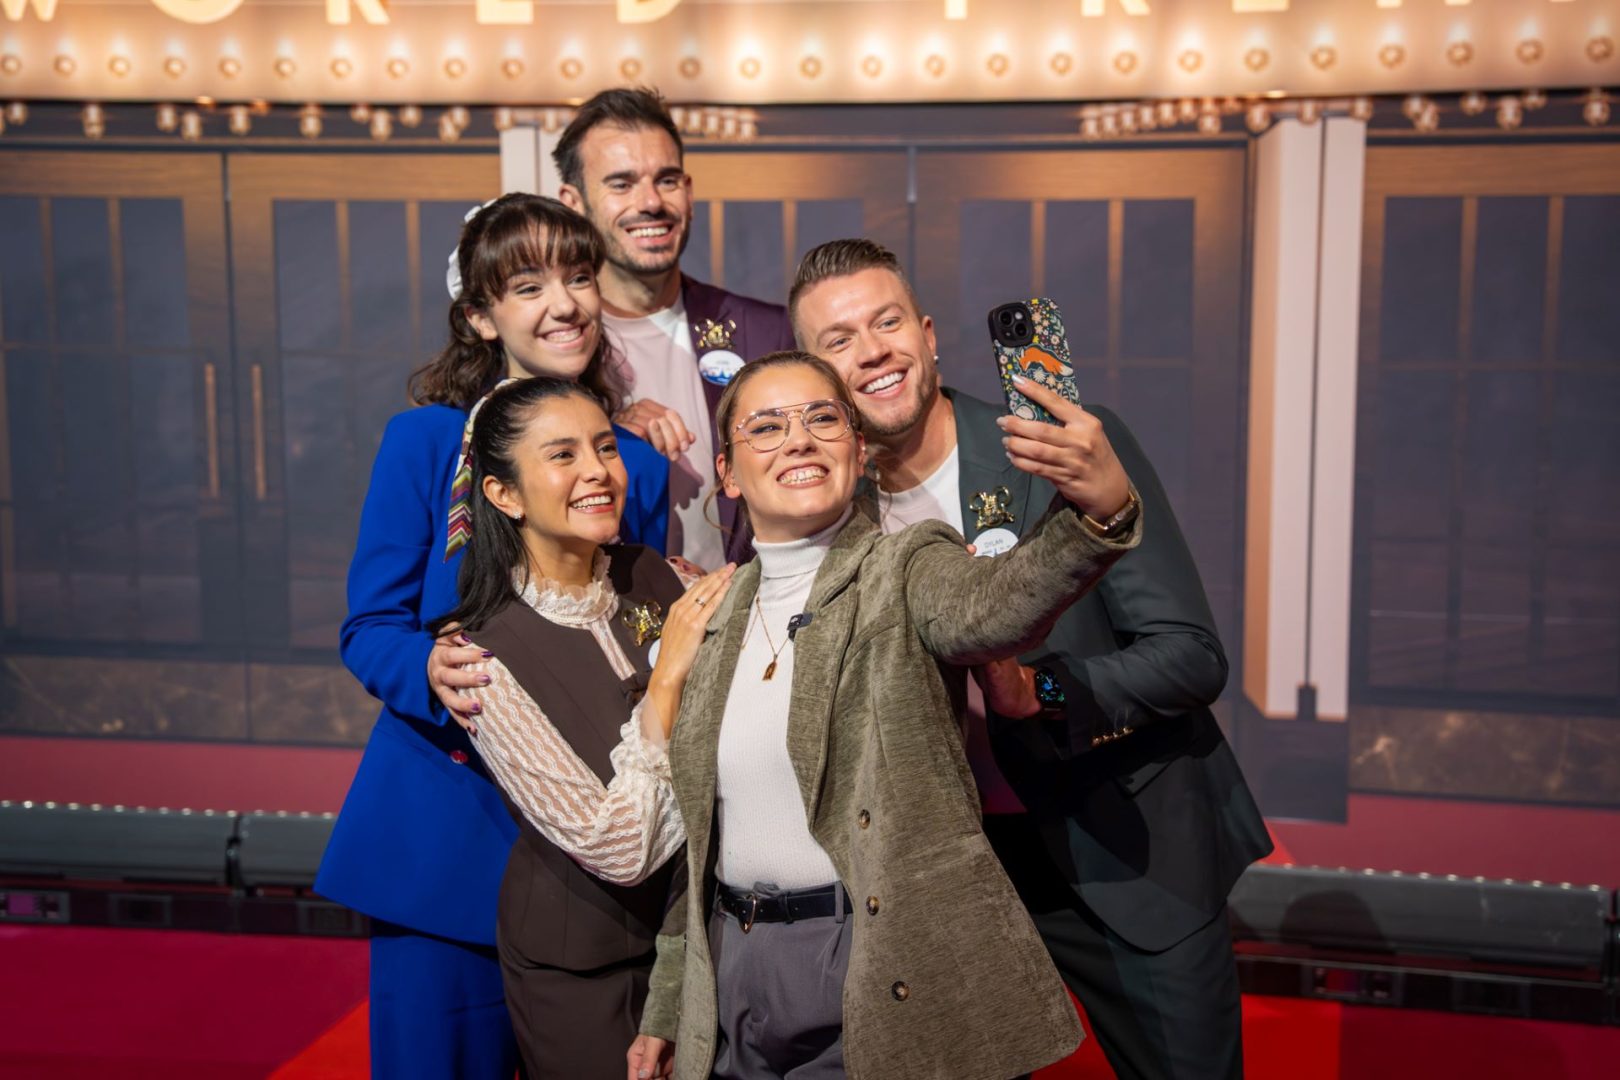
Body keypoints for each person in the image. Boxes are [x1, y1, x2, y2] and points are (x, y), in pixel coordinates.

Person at [788, 238, 1273, 1080]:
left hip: (1125, 846)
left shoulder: (1063, 451)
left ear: (930, 333)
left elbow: (1192, 657)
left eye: (888, 321)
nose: (872, 351)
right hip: (956, 877)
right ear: (815, 373)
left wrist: (1039, 688)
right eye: (838, 340)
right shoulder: (834, 513)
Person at [628, 351, 1143, 1080]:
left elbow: (996, 608)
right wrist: (668, 1003)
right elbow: (699, 842)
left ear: (858, 450)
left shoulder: (904, 567)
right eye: (767, 427)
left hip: (876, 965)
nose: (798, 440)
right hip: (736, 969)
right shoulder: (710, 615)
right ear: (729, 473)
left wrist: (1098, 510)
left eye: (821, 419)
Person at [314, 194, 669, 1078]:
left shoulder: (639, 464)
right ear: (480, 315)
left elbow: (636, 629)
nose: (564, 303)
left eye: (580, 277)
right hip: (450, 841)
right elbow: (369, 627)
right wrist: (428, 667)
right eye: (528, 284)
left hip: (590, 862)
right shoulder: (426, 444)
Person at [425, 376, 732, 1078]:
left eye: (604, 447)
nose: (598, 471)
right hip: (584, 967)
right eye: (562, 456)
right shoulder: (480, 653)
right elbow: (619, 847)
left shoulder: (651, 574)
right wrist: (670, 676)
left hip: (699, 936)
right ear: (504, 494)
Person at [556, 86, 795, 568]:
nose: (650, 203)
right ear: (573, 203)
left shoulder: (765, 333)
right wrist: (606, 438)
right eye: (621, 184)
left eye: (666, 180)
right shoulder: (548, 348)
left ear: (687, 190)